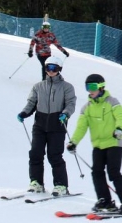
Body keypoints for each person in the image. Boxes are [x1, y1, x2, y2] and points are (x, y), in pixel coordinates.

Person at [66, 74, 122, 214]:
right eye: (87, 87)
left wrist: (119, 129)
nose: (90, 90)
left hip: (114, 142)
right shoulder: (86, 108)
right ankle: (105, 201)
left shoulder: (112, 102)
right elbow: (81, 127)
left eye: (93, 87)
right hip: (98, 145)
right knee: (97, 172)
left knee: (113, 172)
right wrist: (73, 142)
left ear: (101, 87)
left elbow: (121, 116)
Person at [16, 56, 77, 196]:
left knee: (54, 155)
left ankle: (61, 185)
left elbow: (70, 104)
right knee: (35, 153)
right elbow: (31, 103)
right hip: (40, 124)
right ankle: (36, 182)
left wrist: (66, 114)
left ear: (59, 69)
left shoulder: (67, 87)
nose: (50, 71)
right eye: (48, 68)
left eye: (54, 68)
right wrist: (24, 113)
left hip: (57, 125)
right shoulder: (38, 86)